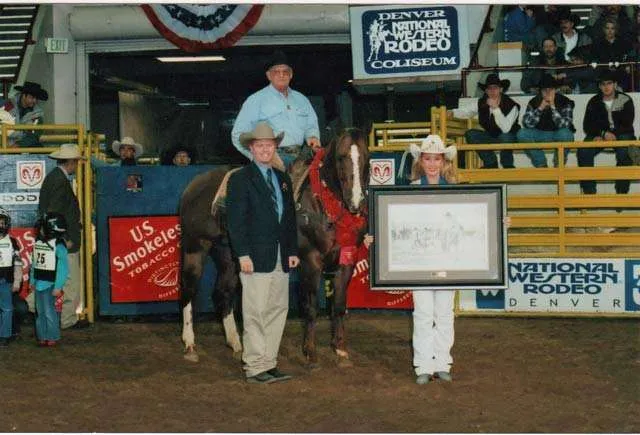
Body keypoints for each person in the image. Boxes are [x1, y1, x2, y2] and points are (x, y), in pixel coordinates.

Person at [226, 122, 299, 384]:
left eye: (269, 145)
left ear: (275, 147)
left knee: (278, 309)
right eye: (260, 145)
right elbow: (235, 221)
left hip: (281, 255)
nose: (265, 149)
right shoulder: (239, 179)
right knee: (255, 311)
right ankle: (255, 366)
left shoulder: (283, 179)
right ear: (251, 148)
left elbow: (288, 218)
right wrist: (242, 254)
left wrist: (292, 249)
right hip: (254, 257)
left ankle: (269, 362)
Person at [409, 135, 458, 384]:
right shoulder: (409, 190)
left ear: (443, 162)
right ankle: (423, 366)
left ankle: (442, 362)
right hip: (420, 260)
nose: (432, 164)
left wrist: (499, 220)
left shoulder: (455, 190)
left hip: (446, 259)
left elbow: (468, 221)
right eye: (427, 159)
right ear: (421, 161)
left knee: (444, 313)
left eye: (436, 159)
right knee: (423, 313)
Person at [231, 50, 321, 170]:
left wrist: (313, 137)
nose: (281, 75)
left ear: (291, 74)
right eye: (276, 72)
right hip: (272, 158)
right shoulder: (255, 100)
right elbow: (238, 135)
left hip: (302, 159)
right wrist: (257, 157)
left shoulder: (302, 100)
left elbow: (311, 126)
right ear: (268, 76)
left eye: (285, 72)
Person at [38, 143, 88, 330]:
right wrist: (64, 238)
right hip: (62, 240)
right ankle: (68, 320)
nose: (77, 166)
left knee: (48, 277)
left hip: (50, 238)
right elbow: (55, 213)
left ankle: (30, 306)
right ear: (71, 162)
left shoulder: (54, 177)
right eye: (76, 162)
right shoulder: (60, 181)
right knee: (70, 281)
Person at [578, 70, 635, 195]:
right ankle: (589, 191)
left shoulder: (625, 99)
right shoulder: (594, 101)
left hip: (622, 134)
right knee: (583, 151)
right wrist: (602, 134)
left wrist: (611, 134)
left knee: (625, 151)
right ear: (599, 86)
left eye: (609, 83)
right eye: (603, 84)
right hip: (600, 134)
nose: (606, 87)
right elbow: (587, 125)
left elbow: (627, 123)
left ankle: (621, 191)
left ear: (615, 84)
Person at [462, 74, 520, 169]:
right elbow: (466, 111)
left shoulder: (512, 105)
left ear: (501, 89)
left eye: (495, 88)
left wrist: (495, 108)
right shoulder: (482, 102)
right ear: (486, 91)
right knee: (471, 134)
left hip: (510, 137)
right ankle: (491, 163)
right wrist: (452, 112)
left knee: (505, 136)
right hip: (492, 136)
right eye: (489, 88)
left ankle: (508, 165)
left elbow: (506, 129)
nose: (492, 91)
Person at [517, 74, 575, 168]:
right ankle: (541, 164)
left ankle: (558, 164)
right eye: (545, 90)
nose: (548, 92)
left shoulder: (565, 101)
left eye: (550, 89)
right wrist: (540, 108)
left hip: (557, 133)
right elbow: (527, 124)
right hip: (539, 133)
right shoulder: (534, 101)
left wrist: (553, 107)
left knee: (567, 134)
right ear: (541, 91)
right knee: (522, 134)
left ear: (555, 90)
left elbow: (565, 124)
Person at [30, 212, 68, 347]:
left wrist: (58, 286)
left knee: (49, 312)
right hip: (39, 283)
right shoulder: (38, 242)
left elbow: (63, 269)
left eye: (42, 228)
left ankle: (52, 336)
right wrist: (32, 281)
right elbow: (34, 264)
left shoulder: (59, 245)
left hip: (50, 284)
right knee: (40, 312)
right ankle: (42, 336)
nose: (40, 230)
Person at [0, 81, 48, 147]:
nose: (35, 101)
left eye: (36, 98)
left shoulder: (38, 114)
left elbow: (36, 134)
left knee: (38, 147)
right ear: (23, 95)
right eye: (32, 97)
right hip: (3, 143)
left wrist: (19, 144)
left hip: (24, 145)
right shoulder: (6, 106)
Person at [0, 208, 23, 347]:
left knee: (7, 309)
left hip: (6, 280)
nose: (0, 226)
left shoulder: (12, 242)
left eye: (2, 223)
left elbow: (18, 264)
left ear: (7, 224)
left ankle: (5, 336)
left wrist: (17, 281)